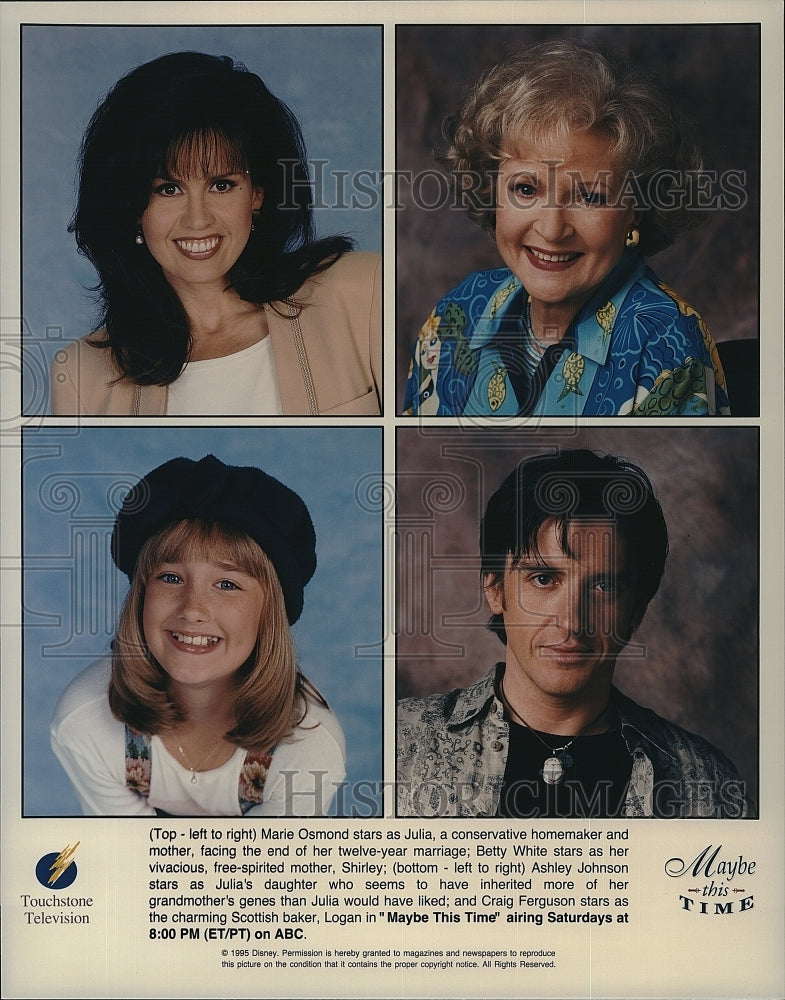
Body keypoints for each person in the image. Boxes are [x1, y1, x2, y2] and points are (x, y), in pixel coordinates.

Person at [397, 450, 753, 818]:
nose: (570, 622)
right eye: (544, 579)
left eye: (603, 586)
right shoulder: (401, 743)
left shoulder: (705, 785)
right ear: (496, 590)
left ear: (636, 611)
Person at [403, 40, 729, 416]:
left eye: (590, 197)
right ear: (491, 190)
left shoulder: (664, 338)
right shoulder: (459, 308)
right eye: (526, 189)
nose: (553, 229)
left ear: (635, 209)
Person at [51, 51, 381, 416]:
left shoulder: (364, 293)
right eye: (168, 189)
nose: (197, 220)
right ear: (130, 206)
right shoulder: (82, 376)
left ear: (258, 193)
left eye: (221, 185)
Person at [50, 454, 345, 816]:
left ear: (269, 613)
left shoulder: (309, 745)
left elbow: (268, 872)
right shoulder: (87, 720)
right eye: (171, 577)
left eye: (227, 584)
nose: (192, 609)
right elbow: (130, 862)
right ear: (141, 594)